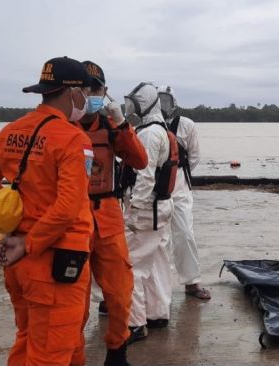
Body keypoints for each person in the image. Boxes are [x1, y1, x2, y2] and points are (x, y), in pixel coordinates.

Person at [0, 57, 95, 365]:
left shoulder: (12, 130)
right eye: (87, 93)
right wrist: (29, 241)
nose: (88, 101)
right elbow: (67, 207)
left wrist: (13, 222)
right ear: (72, 92)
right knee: (50, 352)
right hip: (55, 261)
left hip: (19, 261)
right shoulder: (73, 138)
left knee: (30, 339)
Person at [71, 61, 148, 366]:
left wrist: (122, 125)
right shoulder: (62, 126)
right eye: (84, 88)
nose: (91, 93)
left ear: (105, 92)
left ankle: (117, 352)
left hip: (106, 214)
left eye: (96, 88)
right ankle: (73, 356)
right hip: (71, 218)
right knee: (74, 300)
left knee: (120, 293)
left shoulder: (109, 126)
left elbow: (140, 161)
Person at [122, 82, 178, 343]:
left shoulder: (147, 134)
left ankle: (135, 323)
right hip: (161, 209)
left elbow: (144, 178)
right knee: (156, 264)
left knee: (129, 266)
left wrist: (133, 212)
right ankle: (157, 313)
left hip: (147, 211)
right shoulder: (160, 130)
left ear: (142, 103)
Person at [157, 85, 210, 300]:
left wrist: (178, 175)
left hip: (180, 183)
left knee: (185, 234)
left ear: (174, 102)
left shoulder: (187, 125)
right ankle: (157, 288)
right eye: (158, 100)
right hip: (155, 184)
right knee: (157, 237)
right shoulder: (147, 126)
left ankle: (192, 282)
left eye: (166, 100)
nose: (162, 105)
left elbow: (194, 157)